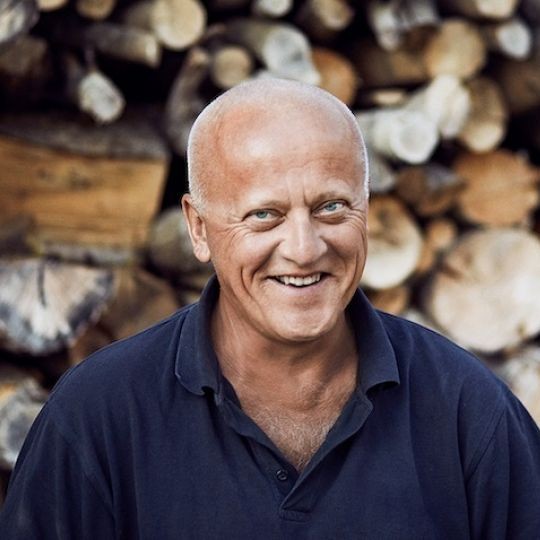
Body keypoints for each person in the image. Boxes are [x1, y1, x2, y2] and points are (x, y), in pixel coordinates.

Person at [1, 79, 539, 539]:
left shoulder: (468, 412)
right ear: (198, 228)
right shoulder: (98, 415)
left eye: (332, 207)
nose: (304, 249)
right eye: (264, 215)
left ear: (366, 209)